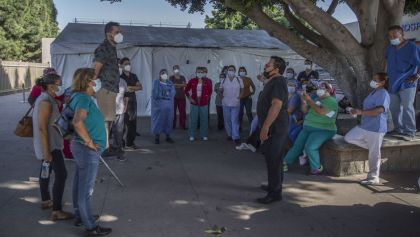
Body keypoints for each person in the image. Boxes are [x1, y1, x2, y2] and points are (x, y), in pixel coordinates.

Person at [70, 68, 112, 236]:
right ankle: (90, 226)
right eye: (95, 79)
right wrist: (89, 142)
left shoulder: (81, 97)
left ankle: (81, 215)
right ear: (87, 81)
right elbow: (77, 122)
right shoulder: (83, 98)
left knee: (80, 183)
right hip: (86, 149)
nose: (97, 82)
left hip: (83, 148)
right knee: (86, 189)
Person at [32, 73, 74, 221]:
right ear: (50, 86)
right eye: (58, 83)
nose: (60, 86)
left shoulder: (49, 99)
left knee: (45, 171)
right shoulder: (45, 101)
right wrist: (46, 151)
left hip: (51, 143)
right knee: (62, 174)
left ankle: (46, 200)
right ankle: (57, 211)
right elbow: (42, 128)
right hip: (50, 145)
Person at [344, 73, 390, 185]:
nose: (372, 81)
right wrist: (356, 111)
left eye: (375, 79)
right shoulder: (374, 92)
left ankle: (373, 177)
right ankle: (373, 149)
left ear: (383, 82)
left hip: (375, 128)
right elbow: (369, 108)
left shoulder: (383, 93)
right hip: (365, 125)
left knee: (374, 153)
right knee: (349, 138)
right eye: (373, 78)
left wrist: (361, 112)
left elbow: (379, 110)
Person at [283, 82, 338, 175]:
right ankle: (285, 162)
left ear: (328, 90)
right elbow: (304, 110)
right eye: (319, 87)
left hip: (323, 129)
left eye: (323, 87)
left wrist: (309, 100)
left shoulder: (331, 101)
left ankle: (316, 168)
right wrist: (304, 101)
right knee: (297, 146)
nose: (320, 89)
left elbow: (320, 111)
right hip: (308, 127)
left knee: (310, 147)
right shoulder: (316, 98)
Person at [256, 56, 289, 204]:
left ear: (276, 69)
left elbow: (276, 105)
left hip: (276, 127)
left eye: (268, 65)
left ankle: (275, 193)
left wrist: (265, 126)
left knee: (273, 159)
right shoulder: (273, 81)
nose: (265, 66)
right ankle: (274, 185)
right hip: (274, 126)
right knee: (275, 158)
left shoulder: (279, 82)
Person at [92, 21, 122, 154]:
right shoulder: (104, 48)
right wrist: (92, 87)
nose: (119, 35)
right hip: (105, 89)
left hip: (110, 89)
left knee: (108, 120)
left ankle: (106, 145)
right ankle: (103, 148)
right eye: (117, 32)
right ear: (108, 33)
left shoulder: (112, 48)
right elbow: (96, 68)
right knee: (104, 120)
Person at [386, 25, 420, 141]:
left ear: (402, 34)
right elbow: (389, 62)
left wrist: (418, 75)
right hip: (392, 83)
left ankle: (410, 132)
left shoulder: (412, 47)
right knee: (394, 108)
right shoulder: (390, 48)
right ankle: (398, 129)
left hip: (407, 83)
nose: (392, 38)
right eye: (390, 36)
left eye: (394, 35)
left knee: (407, 107)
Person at [119, 57, 143, 150]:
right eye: (126, 64)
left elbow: (140, 87)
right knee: (122, 124)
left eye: (129, 63)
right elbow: (125, 89)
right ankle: (121, 143)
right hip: (122, 102)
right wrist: (133, 88)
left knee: (132, 123)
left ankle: (130, 143)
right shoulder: (120, 77)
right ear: (121, 65)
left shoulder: (134, 76)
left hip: (132, 102)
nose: (128, 65)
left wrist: (130, 87)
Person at [185, 67, 213, 141]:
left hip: (204, 103)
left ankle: (204, 134)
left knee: (204, 119)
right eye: (198, 72)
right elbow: (186, 90)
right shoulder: (192, 81)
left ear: (203, 73)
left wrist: (207, 97)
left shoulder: (207, 81)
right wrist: (190, 98)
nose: (200, 73)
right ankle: (192, 135)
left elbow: (210, 91)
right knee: (193, 119)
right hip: (194, 102)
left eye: (201, 72)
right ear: (196, 72)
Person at [220, 65, 244, 145]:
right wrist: (221, 95)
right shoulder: (223, 80)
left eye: (232, 69)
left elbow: (242, 89)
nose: (231, 71)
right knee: (227, 120)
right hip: (225, 102)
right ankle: (229, 134)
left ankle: (236, 137)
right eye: (229, 70)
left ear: (235, 71)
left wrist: (240, 97)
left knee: (234, 120)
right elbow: (220, 90)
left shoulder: (238, 79)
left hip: (235, 102)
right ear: (227, 71)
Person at [151, 69, 176, 144]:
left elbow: (173, 93)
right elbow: (155, 94)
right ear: (159, 74)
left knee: (168, 121)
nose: (164, 74)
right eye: (162, 73)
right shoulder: (156, 82)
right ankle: (157, 137)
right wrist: (165, 93)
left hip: (168, 107)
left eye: (166, 73)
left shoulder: (170, 82)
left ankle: (168, 136)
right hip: (159, 107)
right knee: (158, 121)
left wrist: (164, 94)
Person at [109, 76, 128, 161]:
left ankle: (119, 153)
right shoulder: (105, 80)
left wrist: (126, 106)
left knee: (119, 134)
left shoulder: (123, 81)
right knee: (106, 134)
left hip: (120, 111)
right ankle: (105, 153)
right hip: (107, 112)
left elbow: (126, 95)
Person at [238, 66, 256, 130]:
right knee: (240, 112)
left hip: (248, 98)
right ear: (238, 72)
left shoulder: (248, 79)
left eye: (243, 71)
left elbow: (253, 87)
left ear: (245, 72)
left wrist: (252, 93)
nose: (242, 72)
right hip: (240, 98)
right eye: (241, 71)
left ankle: (253, 126)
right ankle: (239, 126)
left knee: (249, 112)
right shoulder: (237, 79)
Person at [170, 65, 187, 130]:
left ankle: (182, 125)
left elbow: (185, 85)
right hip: (173, 97)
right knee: (172, 112)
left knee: (182, 112)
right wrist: (180, 85)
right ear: (173, 70)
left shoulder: (182, 77)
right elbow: (171, 85)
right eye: (174, 69)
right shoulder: (171, 77)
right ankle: (172, 125)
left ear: (179, 69)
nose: (176, 69)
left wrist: (176, 85)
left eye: (177, 68)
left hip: (182, 97)